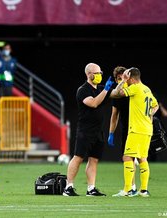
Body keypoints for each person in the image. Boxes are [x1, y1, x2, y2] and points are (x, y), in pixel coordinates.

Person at [63, 63, 114, 197]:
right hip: (85, 130)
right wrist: (106, 90)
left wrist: (123, 82)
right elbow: (93, 103)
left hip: (98, 131)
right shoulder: (83, 90)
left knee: (94, 159)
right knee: (78, 157)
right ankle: (68, 187)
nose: (99, 76)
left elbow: (116, 93)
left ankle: (91, 188)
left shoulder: (102, 88)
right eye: (96, 73)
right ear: (89, 74)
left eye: (100, 73)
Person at [110, 67, 159, 197]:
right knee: (143, 158)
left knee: (127, 157)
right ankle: (143, 190)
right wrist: (150, 113)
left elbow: (115, 93)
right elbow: (155, 105)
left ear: (131, 78)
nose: (127, 81)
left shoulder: (135, 88)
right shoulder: (146, 89)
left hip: (136, 129)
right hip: (147, 129)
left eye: (127, 79)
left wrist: (122, 81)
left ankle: (126, 190)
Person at [108, 66, 138, 196]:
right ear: (116, 80)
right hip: (127, 129)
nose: (122, 80)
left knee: (133, 158)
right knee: (129, 158)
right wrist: (111, 133)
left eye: (124, 78)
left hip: (138, 128)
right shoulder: (117, 95)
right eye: (119, 78)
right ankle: (133, 187)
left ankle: (133, 188)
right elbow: (114, 115)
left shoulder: (135, 90)